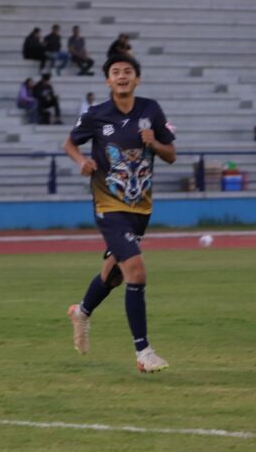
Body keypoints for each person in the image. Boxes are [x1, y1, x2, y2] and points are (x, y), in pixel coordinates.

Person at [64, 54, 176, 374]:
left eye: (128, 71)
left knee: (112, 275)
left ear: (137, 79)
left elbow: (171, 156)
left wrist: (154, 143)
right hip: (108, 205)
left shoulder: (150, 110)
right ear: (107, 81)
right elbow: (70, 144)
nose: (122, 76)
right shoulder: (97, 114)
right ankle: (143, 352)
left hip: (141, 207)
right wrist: (80, 162)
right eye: (116, 72)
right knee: (136, 271)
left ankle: (82, 311)